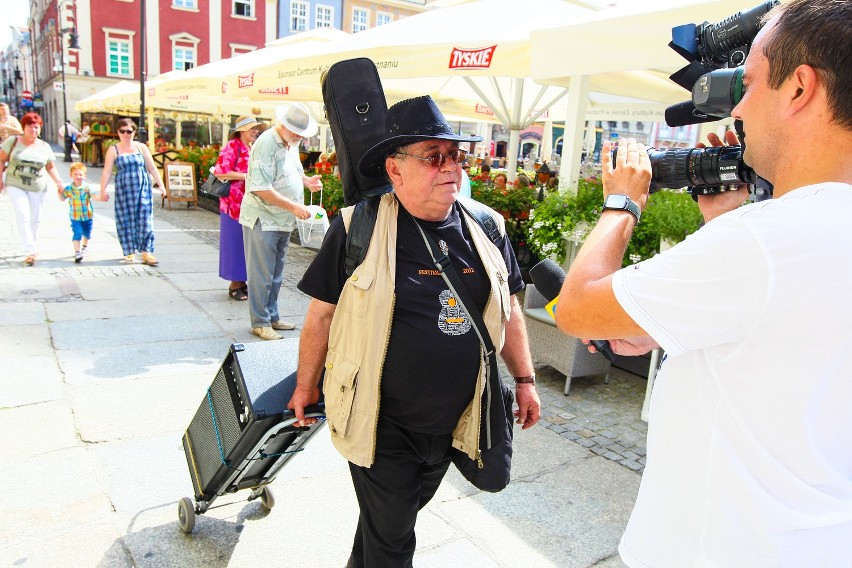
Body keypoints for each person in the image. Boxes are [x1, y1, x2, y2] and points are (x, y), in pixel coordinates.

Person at [555, 1, 852, 566]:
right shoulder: (793, 236)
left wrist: (622, 202)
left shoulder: (769, 240)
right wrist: (723, 227)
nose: (736, 105)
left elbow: (577, 310)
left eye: (752, 82)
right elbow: (788, 345)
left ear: (800, 88)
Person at [288, 95, 542, 568]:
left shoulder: (487, 227)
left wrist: (525, 381)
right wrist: (306, 385)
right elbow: (321, 316)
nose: (451, 168)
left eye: (455, 156)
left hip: (456, 424)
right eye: (434, 156)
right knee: (394, 539)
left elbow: (510, 309)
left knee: (388, 523)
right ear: (396, 169)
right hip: (380, 422)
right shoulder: (356, 228)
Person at [239, 103, 322, 340]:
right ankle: (260, 321)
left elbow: (294, 173)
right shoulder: (267, 143)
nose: (300, 137)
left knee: (275, 273)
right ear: (284, 126)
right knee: (261, 274)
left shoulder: (290, 143)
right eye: (297, 131)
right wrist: (295, 206)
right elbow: (260, 188)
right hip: (263, 219)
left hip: (281, 219)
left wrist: (307, 182)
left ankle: (272, 316)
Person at [98, 118, 167, 266]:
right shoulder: (113, 150)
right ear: (118, 132)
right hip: (124, 190)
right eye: (122, 131)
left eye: (129, 131)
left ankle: (146, 252)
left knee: (145, 219)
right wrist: (102, 190)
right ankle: (129, 251)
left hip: (143, 188)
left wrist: (161, 185)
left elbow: (152, 167)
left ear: (134, 132)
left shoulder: (141, 147)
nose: (126, 134)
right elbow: (107, 171)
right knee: (125, 220)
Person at [0, 112, 65, 266]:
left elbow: (50, 167)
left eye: (36, 127)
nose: (33, 130)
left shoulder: (44, 146)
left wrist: (59, 182)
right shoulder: (13, 141)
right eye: (30, 127)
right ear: (24, 127)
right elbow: (2, 159)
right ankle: (29, 250)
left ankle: (33, 245)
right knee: (23, 215)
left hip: (38, 186)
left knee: (35, 219)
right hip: (15, 183)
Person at [213, 115, 260, 301]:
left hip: (248, 205)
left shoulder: (251, 147)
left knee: (245, 245)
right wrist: (246, 176)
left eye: (256, 128)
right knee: (234, 245)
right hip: (233, 204)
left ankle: (242, 282)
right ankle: (235, 284)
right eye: (252, 129)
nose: (255, 131)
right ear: (241, 130)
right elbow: (220, 171)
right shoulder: (233, 146)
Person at [58, 162, 106, 262]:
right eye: (75, 174)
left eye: (80, 174)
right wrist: (59, 191)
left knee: (87, 233)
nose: (78, 176)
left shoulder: (87, 187)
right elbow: (62, 198)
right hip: (75, 216)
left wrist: (101, 197)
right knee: (77, 233)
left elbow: (94, 196)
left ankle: (85, 246)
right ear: (71, 175)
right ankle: (77, 252)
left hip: (87, 215)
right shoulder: (69, 189)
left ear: (85, 176)